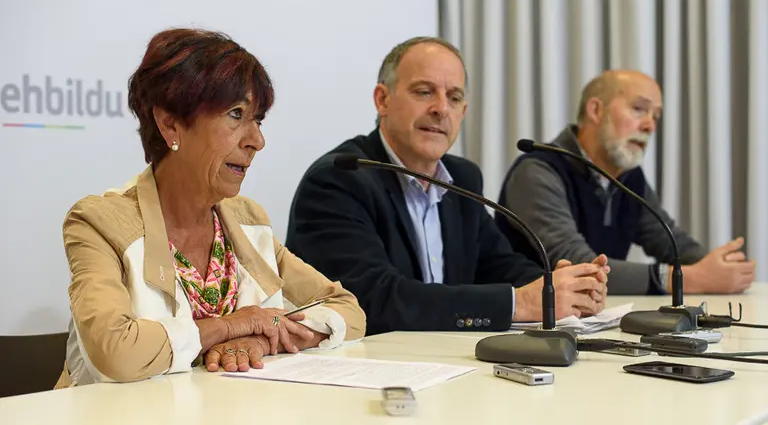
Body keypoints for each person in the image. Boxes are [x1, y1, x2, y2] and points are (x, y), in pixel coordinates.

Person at [55, 28, 365, 387]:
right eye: (236, 114)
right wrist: (231, 325)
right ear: (170, 123)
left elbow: (347, 310)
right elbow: (116, 352)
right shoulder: (99, 223)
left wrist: (261, 338)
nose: (257, 141)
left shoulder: (248, 222)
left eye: (258, 120)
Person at [285, 37, 609, 336]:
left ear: (463, 112)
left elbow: (498, 265)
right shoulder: (339, 178)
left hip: (446, 362)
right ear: (382, 100)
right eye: (424, 92)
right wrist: (521, 303)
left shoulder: (461, 178)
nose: (441, 108)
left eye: (454, 98)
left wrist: (560, 286)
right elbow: (371, 300)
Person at [496, 69, 755, 295]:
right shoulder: (538, 171)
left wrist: (719, 267)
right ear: (596, 110)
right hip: (533, 331)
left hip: (596, 319)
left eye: (655, 116)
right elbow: (579, 264)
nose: (649, 126)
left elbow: (669, 241)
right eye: (639, 109)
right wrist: (689, 279)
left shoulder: (629, 177)